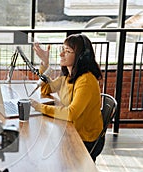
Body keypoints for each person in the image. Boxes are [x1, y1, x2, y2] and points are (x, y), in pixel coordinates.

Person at [31, 34, 103, 162]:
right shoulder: (68, 76)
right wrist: (44, 62)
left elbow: (70, 114)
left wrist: (39, 107)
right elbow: (47, 88)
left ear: (81, 57)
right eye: (62, 49)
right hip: (71, 129)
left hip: (85, 139)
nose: (61, 54)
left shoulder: (85, 81)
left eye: (67, 51)